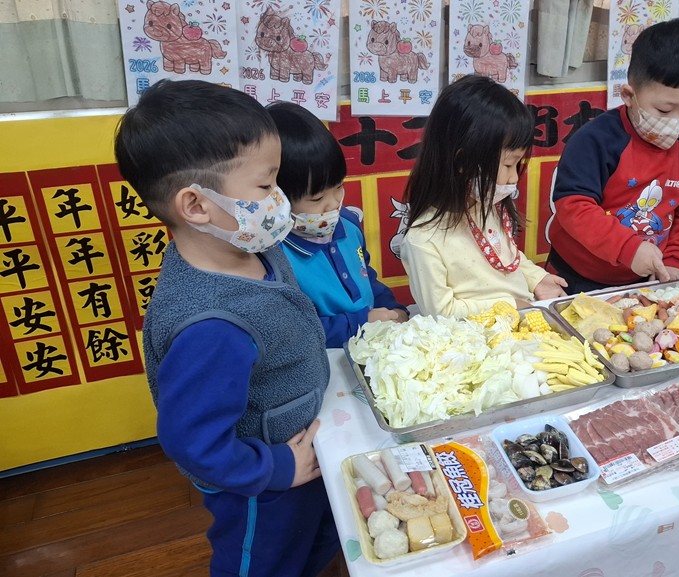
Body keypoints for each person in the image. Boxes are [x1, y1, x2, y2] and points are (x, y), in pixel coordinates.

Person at [114, 80, 338, 577]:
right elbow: (194, 442)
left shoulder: (251, 247)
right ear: (196, 206)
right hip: (261, 485)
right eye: (265, 186)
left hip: (301, 446)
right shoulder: (211, 327)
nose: (279, 199)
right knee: (264, 563)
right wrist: (275, 469)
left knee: (317, 543)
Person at [547, 18, 679, 294]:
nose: (676, 121)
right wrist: (627, 247)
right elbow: (574, 206)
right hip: (576, 275)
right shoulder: (596, 140)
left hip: (644, 279)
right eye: (663, 110)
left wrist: (675, 261)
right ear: (628, 95)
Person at [400, 75, 568, 317]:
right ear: (462, 162)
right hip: (478, 337)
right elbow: (441, 312)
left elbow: (507, 259)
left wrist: (536, 278)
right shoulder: (423, 240)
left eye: (518, 165)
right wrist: (509, 305)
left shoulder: (486, 206)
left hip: (520, 321)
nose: (514, 178)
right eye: (508, 165)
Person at [268, 102, 407, 348]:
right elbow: (294, 332)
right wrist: (359, 323)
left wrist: (394, 309)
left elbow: (366, 278)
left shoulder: (348, 224)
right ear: (276, 198)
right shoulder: (274, 256)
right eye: (317, 199)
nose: (333, 203)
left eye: (339, 186)